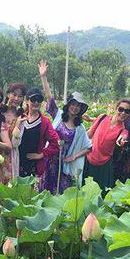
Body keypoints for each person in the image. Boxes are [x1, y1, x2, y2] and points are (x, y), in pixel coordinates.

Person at [39, 60, 92, 193]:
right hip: (50, 159)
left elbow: (89, 147)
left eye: (78, 106)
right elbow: (49, 97)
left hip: (64, 163)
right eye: (73, 104)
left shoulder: (79, 128)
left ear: (81, 109)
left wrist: (74, 157)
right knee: (45, 190)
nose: (75, 107)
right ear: (68, 105)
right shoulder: (58, 115)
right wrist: (43, 77)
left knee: (61, 193)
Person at [11, 87, 59, 182]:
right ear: (27, 101)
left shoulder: (44, 122)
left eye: (39, 100)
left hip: (34, 166)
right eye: (33, 99)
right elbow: (13, 142)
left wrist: (41, 154)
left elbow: (56, 142)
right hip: (17, 162)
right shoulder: (20, 118)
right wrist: (17, 126)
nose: (36, 103)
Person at [83, 100, 130, 191]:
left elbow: (124, 136)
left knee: (100, 192)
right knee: (85, 190)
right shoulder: (102, 117)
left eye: (127, 111)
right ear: (116, 109)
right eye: (121, 109)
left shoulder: (123, 130)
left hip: (104, 164)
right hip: (89, 159)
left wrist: (122, 139)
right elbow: (89, 134)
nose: (123, 113)